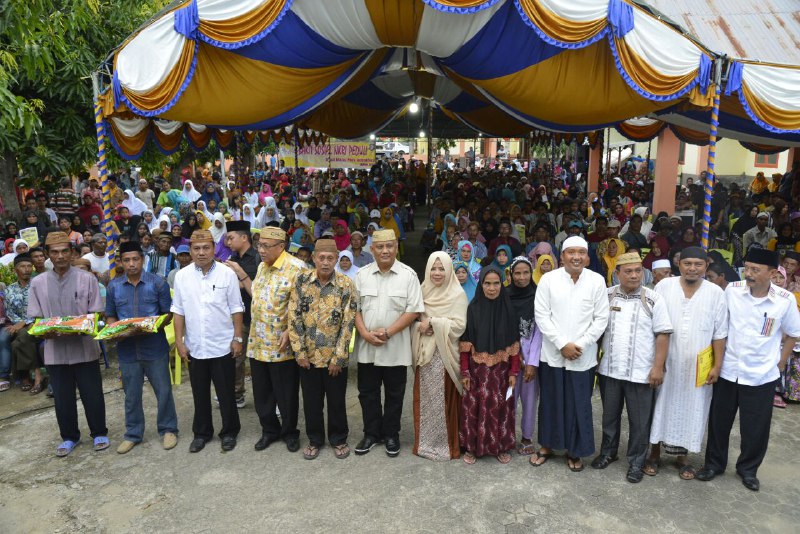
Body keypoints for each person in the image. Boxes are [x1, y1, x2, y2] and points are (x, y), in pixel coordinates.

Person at [697, 249, 800, 491]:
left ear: (772, 273)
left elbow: (793, 334)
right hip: (728, 370)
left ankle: (748, 470)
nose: (749, 274)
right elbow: (719, 325)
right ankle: (714, 464)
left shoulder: (784, 300)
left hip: (761, 374)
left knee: (755, 427)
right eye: (748, 268)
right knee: (719, 422)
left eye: (756, 270)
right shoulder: (733, 291)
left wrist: (781, 362)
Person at [647, 247, 728, 480]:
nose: (693, 268)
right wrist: (656, 363)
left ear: (706, 266)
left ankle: (683, 459)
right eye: (688, 263)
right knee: (659, 406)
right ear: (679, 264)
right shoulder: (664, 287)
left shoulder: (715, 293)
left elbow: (720, 334)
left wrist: (717, 366)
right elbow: (653, 326)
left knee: (693, 409)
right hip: (666, 363)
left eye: (698, 264)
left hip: (697, 367)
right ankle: (653, 455)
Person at [593, 253, 672, 483]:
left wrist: (658, 367)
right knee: (609, 416)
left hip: (641, 373)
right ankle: (608, 452)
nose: (634, 275)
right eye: (628, 271)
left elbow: (663, 335)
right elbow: (597, 330)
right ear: (617, 273)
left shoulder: (653, 299)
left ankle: (637, 461)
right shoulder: (607, 296)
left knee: (639, 422)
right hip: (609, 370)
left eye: (638, 270)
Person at [532, 236, 609, 472]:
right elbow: (541, 315)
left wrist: (580, 345)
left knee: (578, 403)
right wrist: (562, 344)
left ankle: (575, 450)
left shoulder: (596, 281)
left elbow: (601, 319)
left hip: (582, 357)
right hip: (553, 355)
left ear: (587, 257)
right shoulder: (549, 280)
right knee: (551, 402)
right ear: (562, 256)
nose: (576, 257)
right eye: (570, 252)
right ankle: (547, 445)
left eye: (581, 253)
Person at [28, 232, 108, 456]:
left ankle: (99, 432)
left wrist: (82, 325)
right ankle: (69, 437)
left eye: (65, 251)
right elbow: (36, 318)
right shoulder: (38, 283)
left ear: (72, 253)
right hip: (55, 350)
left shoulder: (87, 279)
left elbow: (96, 312)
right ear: (47, 255)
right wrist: (46, 329)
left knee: (92, 393)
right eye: (54, 252)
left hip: (84, 347)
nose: (60, 256)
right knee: (63, 398)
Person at [230, 227, 305, 453]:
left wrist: (291, 331)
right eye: (259, 245)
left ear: (281, 246)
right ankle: (269, 430)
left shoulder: (297, 269)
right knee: (262, 392)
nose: (260, 250)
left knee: (286, 392)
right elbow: (259, 295)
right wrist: (243, 275)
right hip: (258, 341)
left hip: (282, 343)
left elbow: (303, 305)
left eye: (265, 246)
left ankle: (290, 432)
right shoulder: (262, 266)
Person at [172, 229, 244, 453]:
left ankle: (229, 431)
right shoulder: (182, 276)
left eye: (206, 248)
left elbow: (236, 308)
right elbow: (178, 311)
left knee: (226, 393)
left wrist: (237, 337)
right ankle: (202, 433)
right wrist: (180, 342)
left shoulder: (227, 274)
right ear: (190, 250)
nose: (201, 253)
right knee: (199, 392)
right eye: (196, 248)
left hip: (222, 344)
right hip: (196, 346)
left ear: (214, 249)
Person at [353, 229, 423, 457]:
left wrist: (387, 332)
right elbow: (354, 309)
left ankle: (392, 434)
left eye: (390, 246)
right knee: (367, 393)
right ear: (371, 249)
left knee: (395, 394)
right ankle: (371, 433)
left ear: (396, 247)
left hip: (395, 347)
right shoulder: (361, 275)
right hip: (367, 347)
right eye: (380, 247)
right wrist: (364, 333)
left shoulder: (408, 275)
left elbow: (413, 310)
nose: (385, 251)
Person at [288, 239, 357, 460]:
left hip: (334, 358)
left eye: (330, 258)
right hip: (307, 356)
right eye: (321, 258)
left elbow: (348, 323)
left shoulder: (346, 284)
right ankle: (315, 439)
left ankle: (339, 438)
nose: (325, 262)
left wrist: (338, 357)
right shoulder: (301, 281)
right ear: (314, 258)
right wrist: (299, 352)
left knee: (336, 400)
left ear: (336, 259)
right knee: (311, 401)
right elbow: (293, 317)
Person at [106, 242, 178, 454]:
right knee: (131, 394)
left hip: (154, 346)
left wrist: (151, 326)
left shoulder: (158, 284)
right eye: (126, 260)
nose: (131, 264)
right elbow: (110, 314)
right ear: (121, 262)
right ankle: (133, 434)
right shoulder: (114, 287)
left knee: (163, 390)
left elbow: (167, 314)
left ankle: (168, 429)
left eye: (135, 259)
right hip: (127, 349)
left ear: (143, 260)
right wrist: (115, 328)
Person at [459, 266, 519, 464]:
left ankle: (501, 446)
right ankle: (471, 448)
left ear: (501, 284)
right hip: (478, 371)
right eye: (487, 283)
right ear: (481, 284)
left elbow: (514, 345)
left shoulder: (509, 309)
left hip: (501, 372)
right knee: (474, 408)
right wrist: (465, 372)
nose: (492, 288)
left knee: (502, 407)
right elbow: (466, 344)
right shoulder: (473, 308)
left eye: (496, 283)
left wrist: (513, 371)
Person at [411, 252, 468, 461]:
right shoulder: (421, 291)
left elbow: (459, 326)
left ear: (449, 270)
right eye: (433, 268)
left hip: (445, 356)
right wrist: (420, 326)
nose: (437, 273)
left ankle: (448, 445)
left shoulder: (457, 294)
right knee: (426, 401)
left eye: (441, 268)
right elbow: (413, 321)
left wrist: (433, 322)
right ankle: (425, 443)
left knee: (446, 400)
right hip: (425, 355)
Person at [222, 220, 260, 409]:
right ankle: (237, 394)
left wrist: (241, 280)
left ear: (244, 238)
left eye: (231, 238)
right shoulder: (233, 259)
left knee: (262, 361)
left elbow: (256, 288)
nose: (228, 242)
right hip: (241, 317)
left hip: (261, 318)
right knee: (236, 357)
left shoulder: (259, 258)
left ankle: (271, 398)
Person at [507, 257, 543, 456]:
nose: (521, 277)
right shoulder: (504, 297)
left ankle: (527, 437)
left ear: (532, 273)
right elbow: (502, 327)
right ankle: (507, 435)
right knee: (507, 398)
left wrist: (531, 362)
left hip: (531, 358)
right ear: (511, 275)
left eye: (526, 273)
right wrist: (515, 356)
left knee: (530, 400)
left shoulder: (538, 296)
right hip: (509, 358)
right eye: (517, 273)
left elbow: (540, 332)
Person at [5, 254, 45, 394]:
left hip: (39, 321)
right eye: (23, 266)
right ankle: (33, 376)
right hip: (19, 325)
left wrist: (24, 322)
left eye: (29, 266)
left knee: (20, 339)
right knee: (18, 339)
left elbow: (43, 307)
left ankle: (30, 377)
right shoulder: (9, 289)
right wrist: (17, 323)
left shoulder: (38, 284)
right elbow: (9, 311)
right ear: (16, 269)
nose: (27, 269)